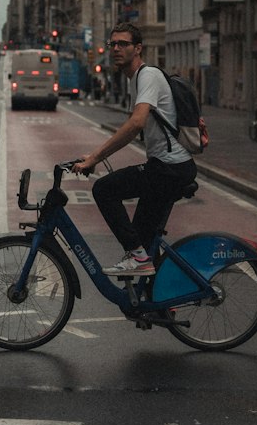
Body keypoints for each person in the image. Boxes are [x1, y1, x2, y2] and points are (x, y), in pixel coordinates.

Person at [73, 21, 196, 276]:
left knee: (104, 189)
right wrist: (95, 157)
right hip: (165, 167)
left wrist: (96, 156)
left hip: (169, 168)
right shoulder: (135, 80)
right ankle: (161, 306)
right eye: (113, 44)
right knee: (143, 240)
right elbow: (135, 127)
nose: (116, 48)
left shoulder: (147, 75)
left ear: (138, 48)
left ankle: (140, 259)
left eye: (123, 44)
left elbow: (135, 124)